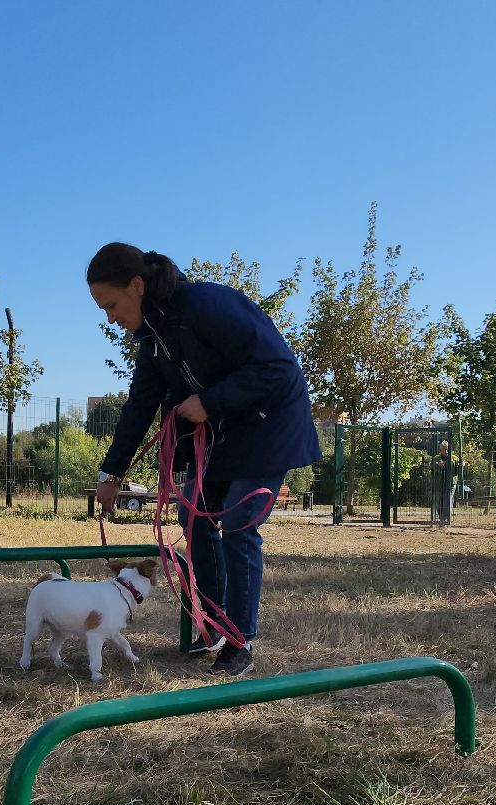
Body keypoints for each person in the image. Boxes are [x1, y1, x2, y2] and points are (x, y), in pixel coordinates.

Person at [88, 243, 321, 678]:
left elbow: (278, 368)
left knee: (238, 521)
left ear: (136, 285)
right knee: (192, 515)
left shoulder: (208, 303)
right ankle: (212, 623)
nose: (110, 318)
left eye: (111, 306)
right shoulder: (153, 336)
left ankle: (239, 640)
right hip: (222, 432)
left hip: (270, 426)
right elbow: (139, 406)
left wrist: (210, 401)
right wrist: (112, 473)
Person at [431, 440, 457, 526]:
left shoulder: (454, 458)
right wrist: (438, 466)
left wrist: (461, 465)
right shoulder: (436, 458)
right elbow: (433, 468)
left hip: (450, 483)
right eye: (443, 449)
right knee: (440, 502)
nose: (445, 451)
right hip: (439, 484)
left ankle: (445, 520)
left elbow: (458, 470)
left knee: (448, 500)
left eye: (447, 449)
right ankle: (442, 519)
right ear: (440, 449)